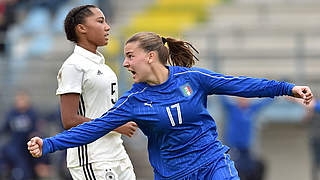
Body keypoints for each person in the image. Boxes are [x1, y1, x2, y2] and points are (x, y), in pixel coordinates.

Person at [27, 32, 313, 180]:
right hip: (173, 174)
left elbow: (240, 84)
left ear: (150, 56)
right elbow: (94, 129)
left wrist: (287, 88)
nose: (125, 63)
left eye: (130, 56)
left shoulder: (193, 79)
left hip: (213, 163)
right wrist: (49, 144)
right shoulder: (133, 101)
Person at [54, 5, 137, 180]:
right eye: (100, 21)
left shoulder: (104, 68)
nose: (107, 27)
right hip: (92, 157)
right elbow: (69, 120)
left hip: (117, 153)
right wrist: (115, 125)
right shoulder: (73, 66)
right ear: (81, 28)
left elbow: (106, 109)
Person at [0, 90, 51, 180]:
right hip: (16, 149)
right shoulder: (12, 114)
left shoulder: (33, 114)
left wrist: (42, 162)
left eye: (23, 100)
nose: (21, 102)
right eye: (19, 100)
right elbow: (5, 128)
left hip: (29, 148)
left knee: (29, 173)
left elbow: (38, 134)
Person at [220, 96, 273, 180]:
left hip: (246, 148)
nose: (243, 100)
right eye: (241, 98)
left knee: (256, 167)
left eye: (245, 98)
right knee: (236, 168)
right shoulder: (233, 108)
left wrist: (282, 91)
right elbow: (221, 97)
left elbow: (266, 101)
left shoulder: (251, 109)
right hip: (233, 147)